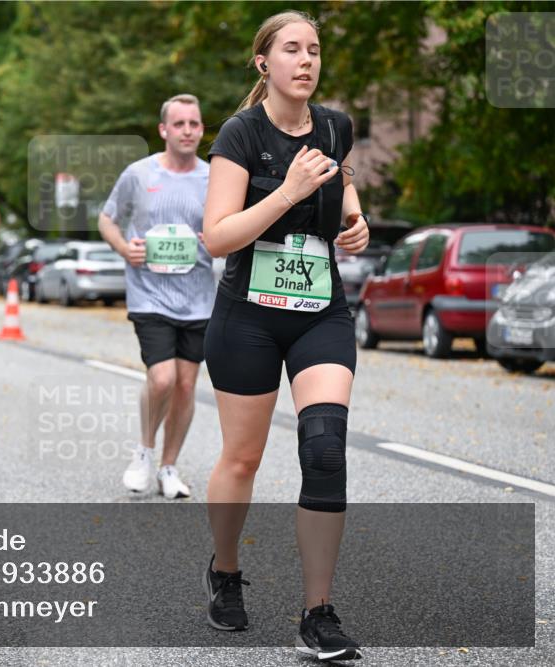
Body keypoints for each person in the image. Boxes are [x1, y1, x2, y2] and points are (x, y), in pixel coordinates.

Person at [201, 11, 370, 662]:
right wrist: (288, 190)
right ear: (263, 64)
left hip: (319, 311)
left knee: (324, 448)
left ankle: (317, 613)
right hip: (247, 314)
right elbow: (216, 235)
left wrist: (354, 225)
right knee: (242, 459)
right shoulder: (241, 134)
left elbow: (345, 194)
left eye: (315, 50)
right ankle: (223, 567)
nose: (306, 60)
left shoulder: (333, 129)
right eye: (292, 49)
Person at [98, 94, 213, 499]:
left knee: (185, 385)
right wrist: (123, 247)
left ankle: (169, 467)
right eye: (178, 124)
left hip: (198, 297)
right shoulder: (138, 173)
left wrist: (215, 239)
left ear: (201, 129)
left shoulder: (213, 178)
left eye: (193, 124)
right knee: (162, 377)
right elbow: (107, 219)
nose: (187, 131)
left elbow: (228, 230)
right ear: (163, 130)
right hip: (149, 294)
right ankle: (144, 452)